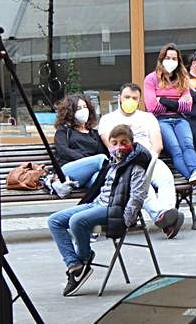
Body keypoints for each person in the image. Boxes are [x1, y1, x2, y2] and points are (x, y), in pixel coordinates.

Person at [47, 125, 152, 296]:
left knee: (77, 221)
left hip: (113, 210)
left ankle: (84, 258)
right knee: (54, 221)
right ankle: (75, 265)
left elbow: (137, 196)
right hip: (97, 204)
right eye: (114, 143)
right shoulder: (111, 163)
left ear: (132, 144)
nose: (119, 147)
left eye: (124, 143)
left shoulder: (136, 167)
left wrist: (126, 219)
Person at [143, 44, 196, 189]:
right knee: (176, 148)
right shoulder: (151, 79)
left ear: (179, 61)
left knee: (188, 146)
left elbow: (187, 106)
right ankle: (193, 179)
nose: (171, 61)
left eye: (174, 58)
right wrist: (176, 103)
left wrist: (163, 100)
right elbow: (152, 107)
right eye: (168, 58)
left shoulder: (182, 78)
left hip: (181, 119)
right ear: (161, 59)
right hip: (161, 121)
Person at [44, 94, 110, 196]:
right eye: (79, 108)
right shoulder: (64, 131)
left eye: (85, 107)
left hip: (88, 174)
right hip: (69, 170)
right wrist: (87, 161)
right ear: (70, 112)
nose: (83, 110)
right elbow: (63, 151)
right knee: (101, 159)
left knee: (99, 179)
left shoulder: (95, 134)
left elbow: (102, 152)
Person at [100, 83, 165, 154]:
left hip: (147, 160)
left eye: (134, 98)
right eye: (127, 97)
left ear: (139, 100)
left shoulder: (149, 118)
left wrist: (150, 161)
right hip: (121, 160)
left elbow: (158, 146)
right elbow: (111, 146)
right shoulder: (106, 119)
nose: (130, 100)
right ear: (119, 98)